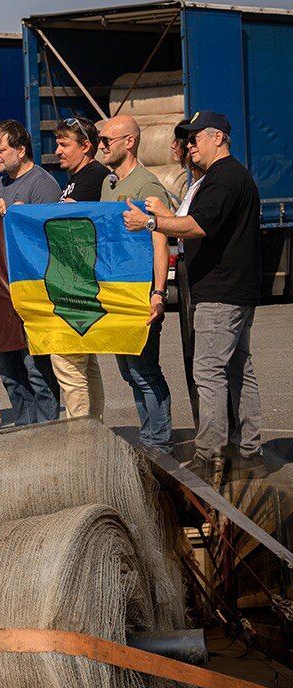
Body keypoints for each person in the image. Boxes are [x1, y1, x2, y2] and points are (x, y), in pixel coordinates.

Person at [124, 111, 263, 477]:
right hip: (232, 288)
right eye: (186, 139)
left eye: (195, 137)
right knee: (237, 368)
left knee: (209, 371)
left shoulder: (224, 179)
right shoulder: (221, 178)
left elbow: (198, 226)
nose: (189, 145)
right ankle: (249, 450)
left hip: (221, 290)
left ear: (218, 137)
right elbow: (193, 220)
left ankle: (209, 454)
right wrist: (164, 213)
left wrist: (151, 221)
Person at [0, 120, 62, 427]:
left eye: (1, 150)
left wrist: (12, 213)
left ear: (21, 150)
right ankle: (24, 431)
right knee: (10, 371)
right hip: (0, 291)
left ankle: (46, 432)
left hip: (31, 290)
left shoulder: (41, 184)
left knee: (36, 369)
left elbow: (47, 237)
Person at [101, 114, 173, 453]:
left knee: (145, 371)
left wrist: (158, 293)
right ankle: (149, 436)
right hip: (115, 292)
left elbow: (162, 240)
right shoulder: (110, 183)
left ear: (129, 142)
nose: (100, 146)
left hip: (139, 293)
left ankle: (157, 443)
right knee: (129, 373)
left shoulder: (147, 186)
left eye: (106, 141)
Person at [51, 116, 111, 420]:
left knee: (66, 360)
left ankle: (80, 435)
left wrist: (27, 212)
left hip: (78, 283)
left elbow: (68, 219)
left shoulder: (93, 175)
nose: (58, 150)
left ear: (86, 146)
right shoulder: (77, 177)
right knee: (83, 363)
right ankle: (92, 428)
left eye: (65, 144)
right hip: (75, 281)